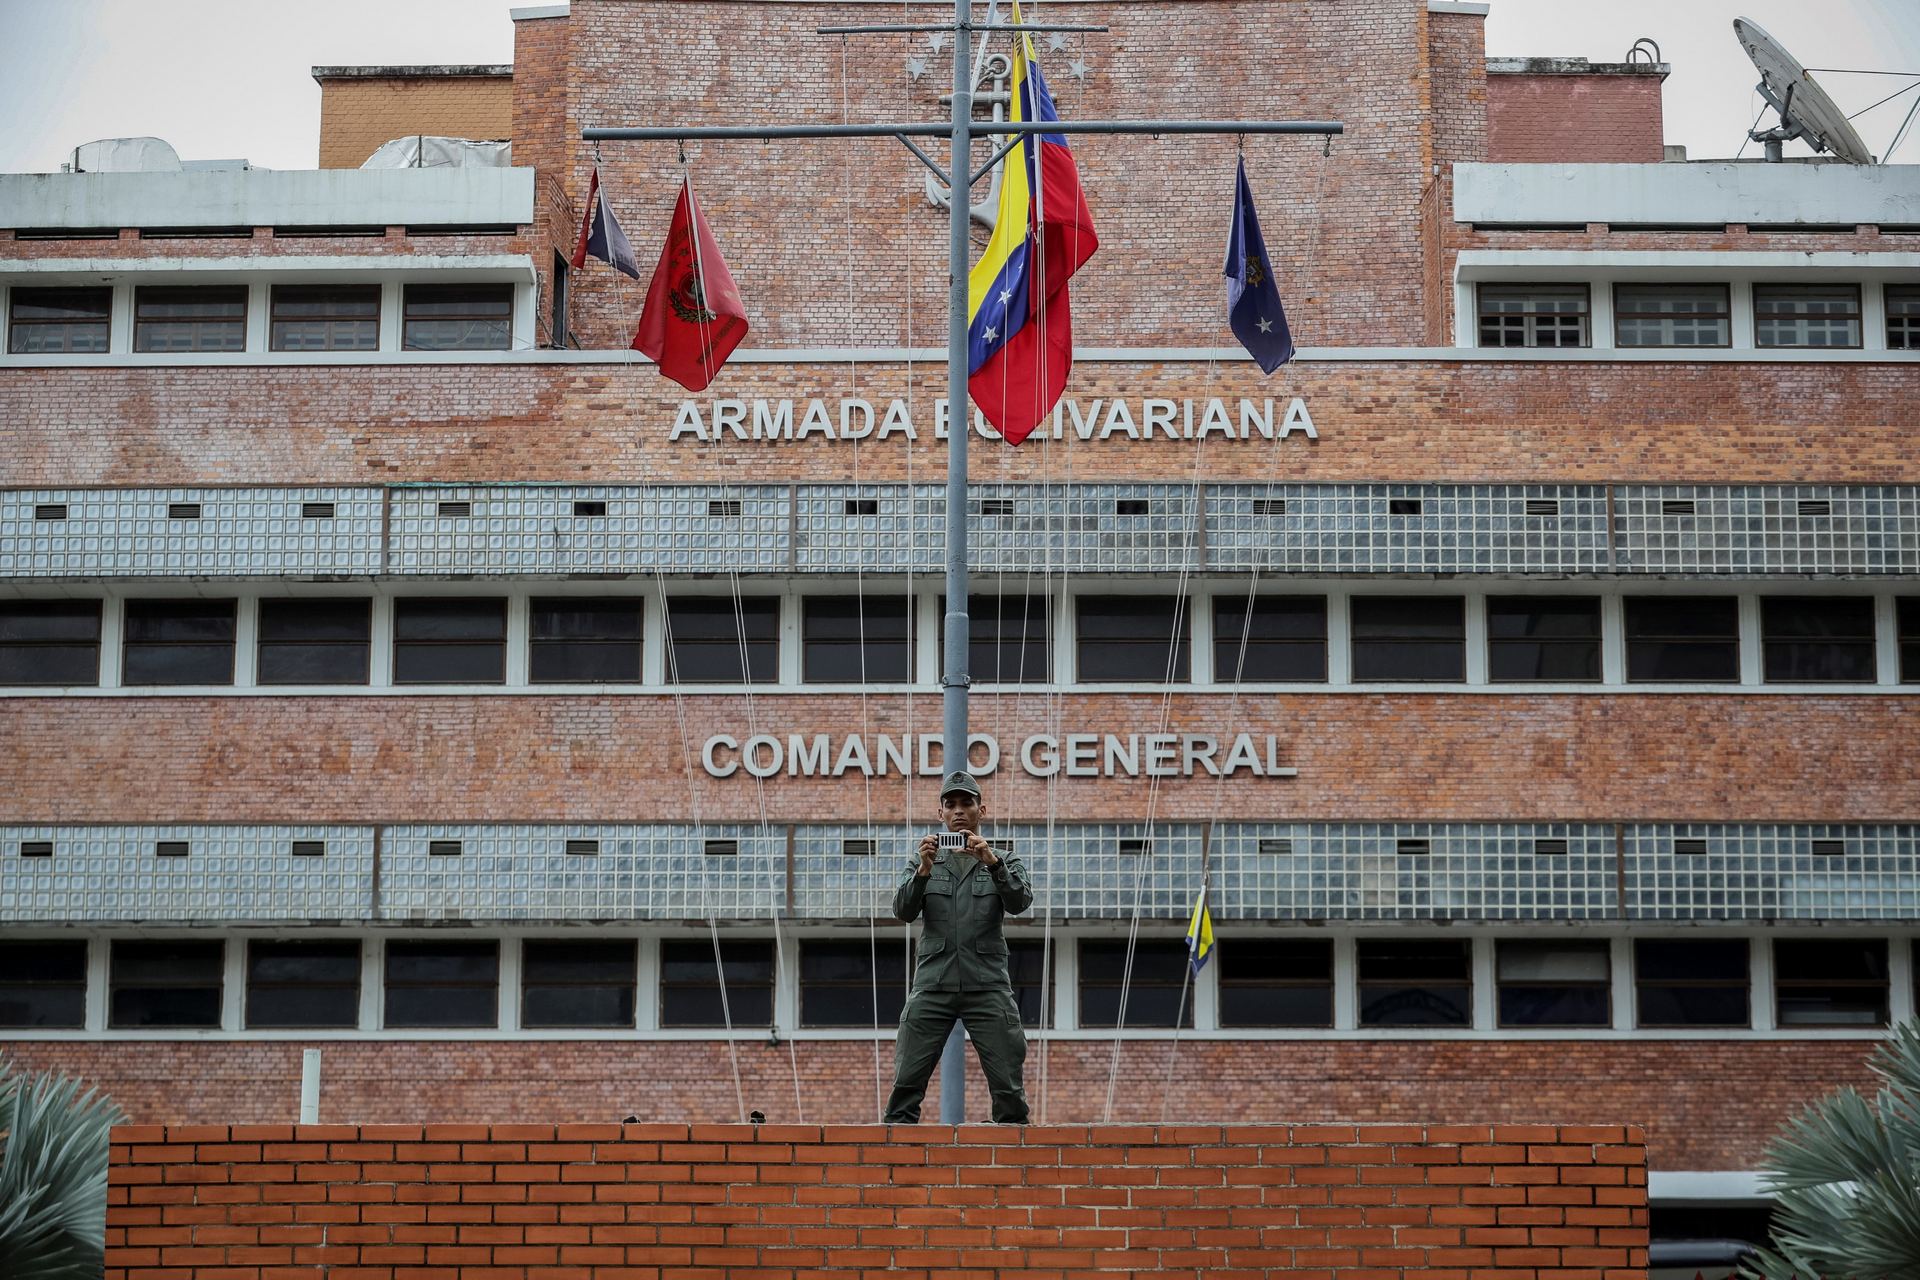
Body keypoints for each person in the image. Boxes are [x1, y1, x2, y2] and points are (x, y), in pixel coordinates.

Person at [883, 769, 1034, 1124]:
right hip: (934, 984)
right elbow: (902, 911)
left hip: (987, 986)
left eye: (967, 803)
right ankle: (894, 1166)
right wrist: (923, 870)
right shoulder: (923, 861)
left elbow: (1020, 901)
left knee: (1009, 1091)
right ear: (940, 814)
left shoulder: (1004, 859)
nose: (958, 811)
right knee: (905, 1084)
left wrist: (992, 863)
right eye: (950, 805)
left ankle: (1012, 1164)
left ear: (982, 810)